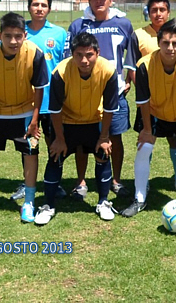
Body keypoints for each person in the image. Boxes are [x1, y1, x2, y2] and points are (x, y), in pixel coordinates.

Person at [122, 19, 176, 219]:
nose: (170, 48)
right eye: (166, 43)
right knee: (144, 147)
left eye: (175, 43)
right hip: (154, 112)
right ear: (158, 43)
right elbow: (143, 101)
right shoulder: (144, 65)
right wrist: (146, 130)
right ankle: (139, 198)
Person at [0, 12, 48, 223]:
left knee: (30, 154)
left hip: (24, 112)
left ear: (25, 35)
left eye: (18, 36)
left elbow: (39, 89)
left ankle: (29, 202)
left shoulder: (35, 53)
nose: (13, 41)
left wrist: (34, 120)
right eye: (8, 36)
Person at [35, 33, 119, 225]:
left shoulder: (108, 70)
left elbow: (109, 108)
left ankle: (103, 202)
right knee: (55, 156)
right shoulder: (61, 71)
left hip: (93, 120)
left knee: (103, 153)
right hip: (66, 122)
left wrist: (104, 136)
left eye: (89, 55)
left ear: (97, 52)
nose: (84, 60)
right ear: (72, 54)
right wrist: (59, 139)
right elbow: (55, 109)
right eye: (79, 55)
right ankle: (48, 205)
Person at [65, 0, 136, 199]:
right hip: (84, 93)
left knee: (115, 137)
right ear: (89, 1)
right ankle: (81, 182)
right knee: (82, 140)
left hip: (115, 92)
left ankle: (116, 180)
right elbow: (68, 57)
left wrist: (127, 78)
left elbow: (132, 55)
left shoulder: (123, 23)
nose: (99, 1)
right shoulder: (78, 25)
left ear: (110, 0)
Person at [10, 0, 67, 201]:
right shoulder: (18, 32)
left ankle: (55, 182)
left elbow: (66, 65)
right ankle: (28, 183)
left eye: (44, 5)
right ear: (28, 7)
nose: (39, 9)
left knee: (55, 144)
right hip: (26, 100)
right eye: (35, 4)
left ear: (49, 9)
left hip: (52, 101)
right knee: (28, 145)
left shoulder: (60, 33)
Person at [131, 0, 176, 196]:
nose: (158, 13)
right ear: (148, 12)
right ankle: (144, 181)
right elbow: (133, 68)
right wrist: (146, 92)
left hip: (174, 101)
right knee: (147, 139)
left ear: (168, 12)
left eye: (162, 9)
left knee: (175, 139)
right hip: (150, 101)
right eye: (154, 10)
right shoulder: (138, 35)